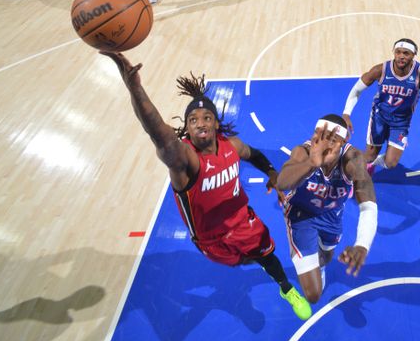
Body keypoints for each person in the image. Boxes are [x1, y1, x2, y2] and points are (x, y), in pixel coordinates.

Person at [102, 52, 312, 320]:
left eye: (206, 117)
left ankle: (285, 288)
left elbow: (253, 153)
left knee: (266, 253)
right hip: (210, 239)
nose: (200, 123)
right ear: (186, 128)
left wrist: (271, 172)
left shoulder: (231, 146)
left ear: (215, 123)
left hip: (242, 221)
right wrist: (136, 89)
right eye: (193, 120)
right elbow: (158, 133)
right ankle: (250, 263)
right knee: (241, 262)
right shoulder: (184, 159)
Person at [277, 115, 378, 304]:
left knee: (327, 255)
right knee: (314, 295)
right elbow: (282, 182)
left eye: (330, 139)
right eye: (318, 135)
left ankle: (320, 265)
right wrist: (311, 164)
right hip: (302, 215)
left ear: (343, 141)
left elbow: (369, 204)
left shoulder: (352, 159)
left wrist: (362, 245)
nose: (322, 143)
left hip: (331, 214)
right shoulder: (303, 152)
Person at [342, 38, 420, 173]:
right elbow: (357, 90)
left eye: (406, 53)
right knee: (369, 156)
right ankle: (348, 165)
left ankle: (373, 163)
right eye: (398, 52)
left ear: (413, 55)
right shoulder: (380, 70)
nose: (401, 56)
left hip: (401, 122)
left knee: (391, 163)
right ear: (394, 53)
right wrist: (346, 113)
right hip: (380, 117)